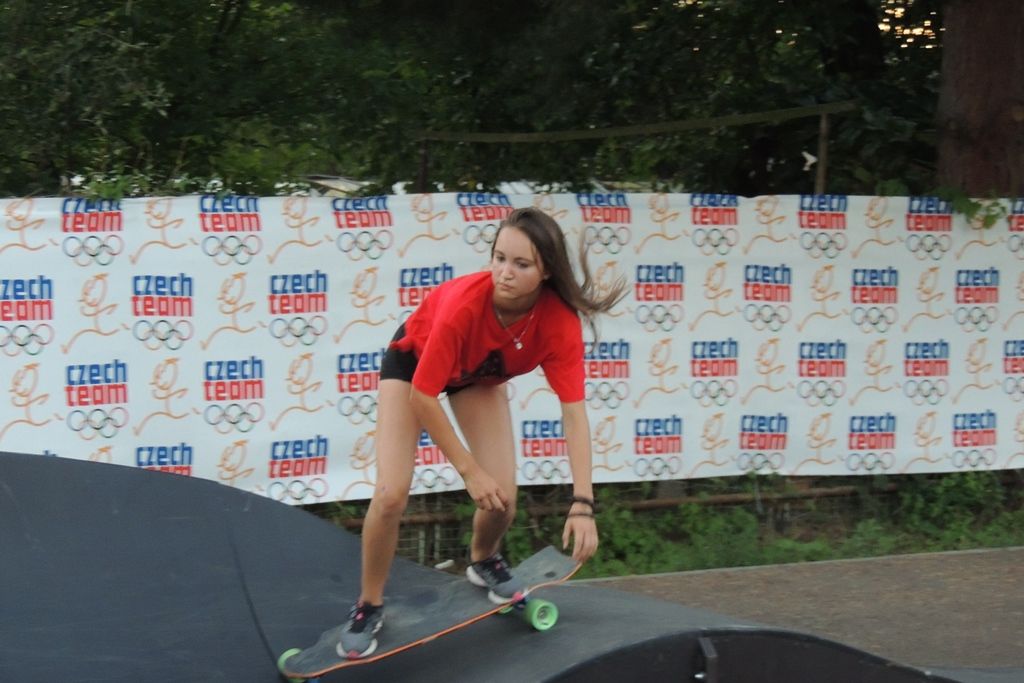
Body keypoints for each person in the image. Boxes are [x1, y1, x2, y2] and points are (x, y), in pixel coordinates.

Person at [339, 206, 626, 658]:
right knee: (391, 493)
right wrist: (469, 471)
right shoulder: (462, 306)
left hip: (476, 377)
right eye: (499, 258)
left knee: (503, 498)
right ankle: (368, 603)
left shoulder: (558, 322)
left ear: (546, 270)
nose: (503, 273)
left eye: (521, 264)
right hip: (415, 370)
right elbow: (423, 396)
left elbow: (574, 414)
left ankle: (482, 558)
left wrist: (584, 504)